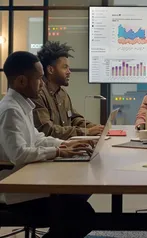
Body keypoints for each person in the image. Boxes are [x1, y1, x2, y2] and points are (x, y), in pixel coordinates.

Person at [0, 51, 95, 238]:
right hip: (19, 190)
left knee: (80, 200)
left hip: (31, 180)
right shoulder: (10, 110)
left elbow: (38, 138)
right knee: (81, 215)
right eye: (38, 79)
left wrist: (65, 146)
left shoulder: (22, 105)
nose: (42, 83)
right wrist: (58, 152)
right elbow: (18, 154)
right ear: (21, 81)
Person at [32, 41, 103, 140]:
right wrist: (87, 132)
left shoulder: (62, 94)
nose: (69, 72)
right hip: (53, 150)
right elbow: (47, 130)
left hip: (67, 147)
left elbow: (74, 118)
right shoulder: (38, 94)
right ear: (51, 70)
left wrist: (95, 128)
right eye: (65, 67)